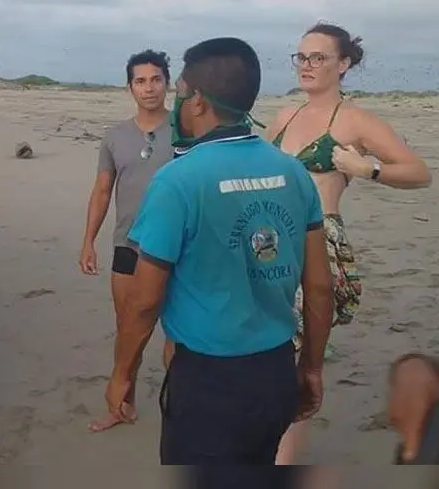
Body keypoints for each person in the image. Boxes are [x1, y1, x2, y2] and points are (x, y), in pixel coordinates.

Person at [105, 37, 335, 469]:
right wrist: (312, 367)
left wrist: (123, 373)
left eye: (179, 93)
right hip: (275, 369)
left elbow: (145, 301)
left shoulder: (177, 181)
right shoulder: (293, 172)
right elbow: (320, 287)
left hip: (209, 381)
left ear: (196, 101)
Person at [267, 23, 433, 464]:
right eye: (301, 57)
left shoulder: (355, 120)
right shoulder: (285, 117)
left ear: (343, 65)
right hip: (269, 243)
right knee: (268, 348)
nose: (306, 65)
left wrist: (367, 169)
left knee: (296, 353)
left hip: (318, 240)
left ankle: (281, 460)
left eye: (318, 57)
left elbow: (418, 172)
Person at [79, 49, 175, 432]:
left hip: (178, 248)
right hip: (129, 246)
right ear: (130, 86)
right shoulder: (115, 137)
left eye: (155, 79)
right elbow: (102, 191)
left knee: (179, 333)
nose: (149, 88)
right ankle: (123, 405)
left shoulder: (185, 132)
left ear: (167, 82)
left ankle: (181, 409)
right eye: (141, 80)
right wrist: (88, 241)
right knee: (128, 331)